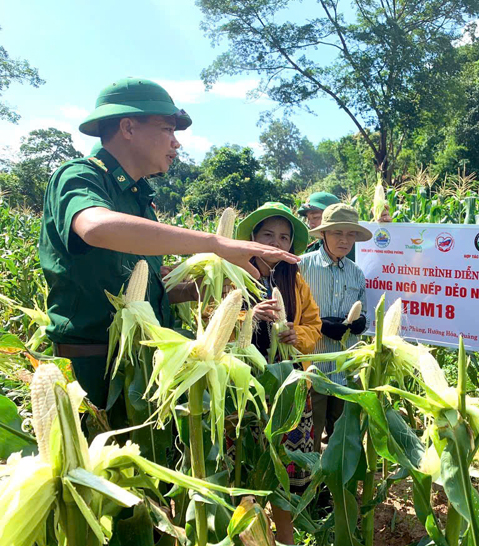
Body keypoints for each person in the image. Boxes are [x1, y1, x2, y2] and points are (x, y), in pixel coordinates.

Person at [38, 77, 297, 421]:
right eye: (167, 129)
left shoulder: (140, 199)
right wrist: (214, 243)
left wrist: (191, 290)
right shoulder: (80, 176)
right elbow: (95, 227)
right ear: (128, 127)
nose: (176, 143)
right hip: (95, 369)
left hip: (147, 363)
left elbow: (135, 285)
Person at [235, 202, 322, 546]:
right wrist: (249, 316)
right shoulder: (234, 274)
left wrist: (296, 335)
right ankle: (250, 541)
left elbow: (313, 324)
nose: (276, 242)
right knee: (248, 461)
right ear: (253, 238)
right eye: (268, 235)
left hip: (288, 386)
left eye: (284, 237)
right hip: (246, 382)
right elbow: (214, 316)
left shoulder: (294, 280)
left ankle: (285, 541)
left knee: (285, 464)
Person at [300, 204, 370, 451]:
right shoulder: (302, 267)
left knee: (341, 438)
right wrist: (319, 325)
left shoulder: (356, 273)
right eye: (337, 233)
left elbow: (365, 311)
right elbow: (290, 313)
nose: (344, 240)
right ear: (323, 234)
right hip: (313, 369)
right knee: (310, 434)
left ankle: (336, 476)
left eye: (350, 234)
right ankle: (311, 475)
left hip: (345, 370)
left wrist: (361, 323)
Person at [300, 192, 355, 261]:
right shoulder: (312, 249)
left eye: (315, 217)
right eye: (308, 219)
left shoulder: (357, 249)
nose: (311, 224)